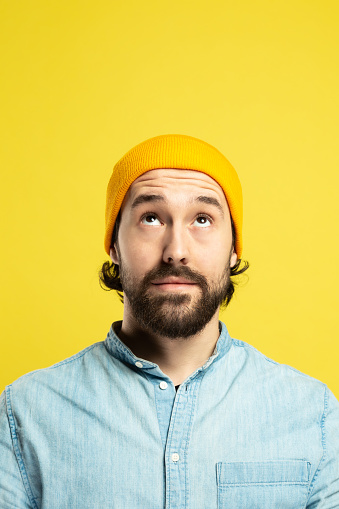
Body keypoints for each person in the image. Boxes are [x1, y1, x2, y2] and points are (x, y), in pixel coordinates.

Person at [0, 134, 338, 508]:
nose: (176, 251)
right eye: (151, 218)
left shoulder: (313, 414)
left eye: (203, 219)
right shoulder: (25, 415)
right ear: (113, 244)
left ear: (234, 248)